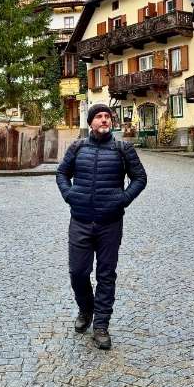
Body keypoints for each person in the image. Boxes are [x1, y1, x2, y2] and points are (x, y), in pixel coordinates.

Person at [56, 103, 147, 350]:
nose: (104, 120)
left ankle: (101, 326)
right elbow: (61, 173)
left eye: (108, 117)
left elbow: (140, 178)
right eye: (99, 117)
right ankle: (86, 310)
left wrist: (122, 199)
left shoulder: (123, 148)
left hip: (110, 223)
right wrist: (69, 195)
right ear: (91, 122)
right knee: (78, 272)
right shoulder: (77, 147)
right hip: (81, 221)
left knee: (106, 275)